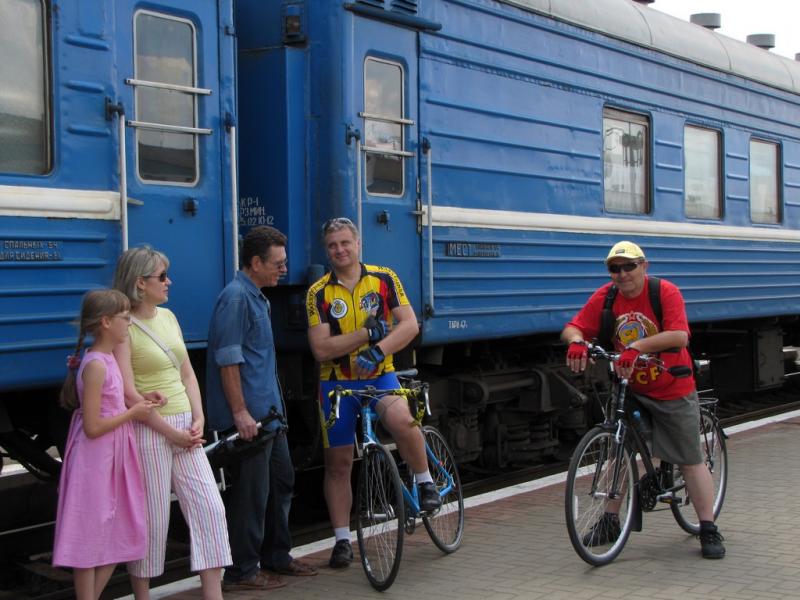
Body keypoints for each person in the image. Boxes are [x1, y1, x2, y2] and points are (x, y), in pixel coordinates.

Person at [562, 240, 725, 559]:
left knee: (689, 459)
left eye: (629, 266)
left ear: (644, 266)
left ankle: (708, 528)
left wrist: (636, 347)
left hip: (671, 388)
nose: (622, 274)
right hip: (630, 388)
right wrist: (577, 342)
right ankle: (610, 520)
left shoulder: (664, 292)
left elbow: (679, 336)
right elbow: (573, 326)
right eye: (615, 268)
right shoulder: (607, 296)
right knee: (619, 452)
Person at [306, 217, 441, 569]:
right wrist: (366, 336)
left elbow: (410, 325)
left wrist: (379, 351)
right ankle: (341, 541)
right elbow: (321, 349)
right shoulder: (318, 293)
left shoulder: (384, 278)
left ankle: (425, 482)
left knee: (403, 421)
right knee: (338, 464)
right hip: (336, 385)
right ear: (327, 251)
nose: (339, 250)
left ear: (358, 244)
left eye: (345, 243)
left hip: (380, 376)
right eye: (332, 245)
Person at [113, 247, 231, 600]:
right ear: (140, 283)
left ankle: (213, 595)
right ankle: (143, 596)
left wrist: (199, 417)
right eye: (162, 277)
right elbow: (128, 393)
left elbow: (187, 373)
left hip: (185, 428)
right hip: (151, 429)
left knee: (210, 509)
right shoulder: (123, 326)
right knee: (153, 519)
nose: (169, 282)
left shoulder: (168, 317)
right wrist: (172, 433)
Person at [206, 225, 317, 592]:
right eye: (278, 263)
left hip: (270, 416)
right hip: (251, 419)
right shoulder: (236, 298)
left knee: (281, 483)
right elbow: (228, 360)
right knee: (252, 494)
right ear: (255, 262)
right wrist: (239, 413)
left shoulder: (258, 297)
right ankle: (243, 570)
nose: (284, 269)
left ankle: (277, 556)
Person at [53, 289, 155, 600]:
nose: (129, 324)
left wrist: (143, 400)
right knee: (90, 533)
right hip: (96, 461)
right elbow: (93, 426)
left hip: (112, 456)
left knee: (118, 531)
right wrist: (133, 413)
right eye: (125, 318)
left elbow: (115, 401)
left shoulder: (107, 359)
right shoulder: (96, 365)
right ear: (106, 322)